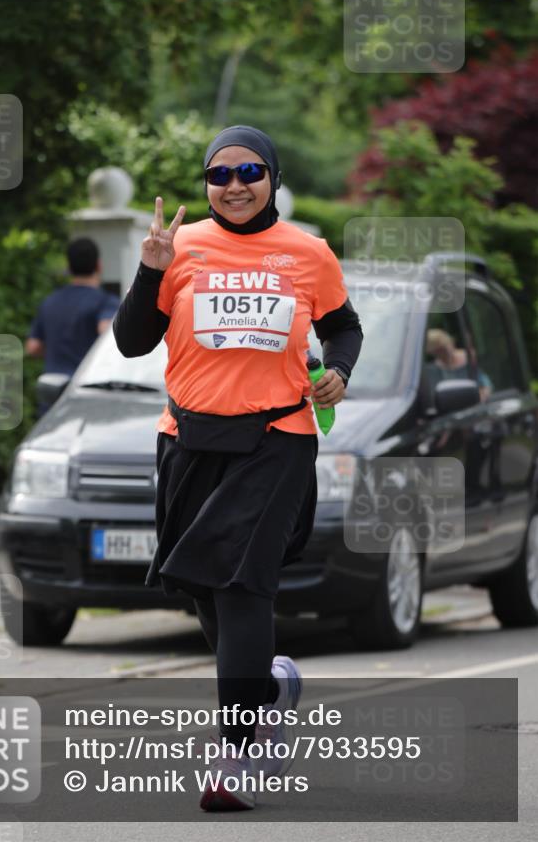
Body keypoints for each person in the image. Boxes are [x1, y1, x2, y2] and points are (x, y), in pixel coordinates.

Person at [113, 124, 363, 812]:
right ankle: (268, 690)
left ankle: (239, 753)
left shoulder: (307, 254)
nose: (233, 186)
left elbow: (343, 327)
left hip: (275, 437)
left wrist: (337, 370)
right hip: (187, 438)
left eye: (249, 171)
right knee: (195, 581)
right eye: (218, 175)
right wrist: (151, 269)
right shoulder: (180, 248)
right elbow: (133, 343)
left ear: (271, 177)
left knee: (239, 586)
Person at [25, 238, 120, 414]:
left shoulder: (50, 301)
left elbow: (33, 347)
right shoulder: (105, 302)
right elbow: (108, 336)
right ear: (98, 266)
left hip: (52, 397)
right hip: (88, 395)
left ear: (68, 268)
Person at [425, 328, 492, 402]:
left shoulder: (470, 357)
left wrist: (483, 394)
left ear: (450, 342)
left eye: (443, 348)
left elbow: (485, 384)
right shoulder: (435, 370)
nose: (443, 353)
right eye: (437, 352)